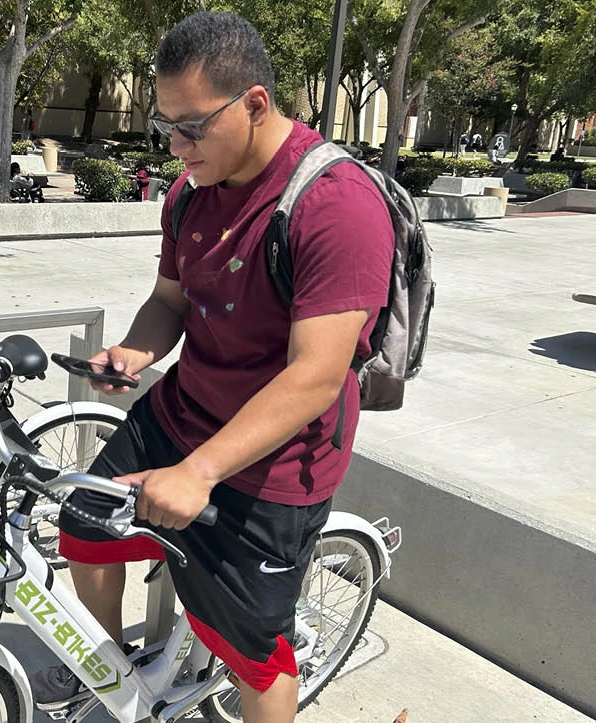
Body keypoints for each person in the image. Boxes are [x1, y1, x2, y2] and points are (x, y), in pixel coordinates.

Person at [28, 12, 394, 723]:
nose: (175, 147)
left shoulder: (337, 205)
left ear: (255, 104)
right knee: (84, 527)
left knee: (252, 651)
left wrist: (199, 472)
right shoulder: (190, 193)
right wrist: (135, 350)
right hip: (180, 412)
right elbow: (170, 300)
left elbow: (316, 376)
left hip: (277, 464)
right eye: (164, 126)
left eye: (191, 126)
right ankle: (110, 682)